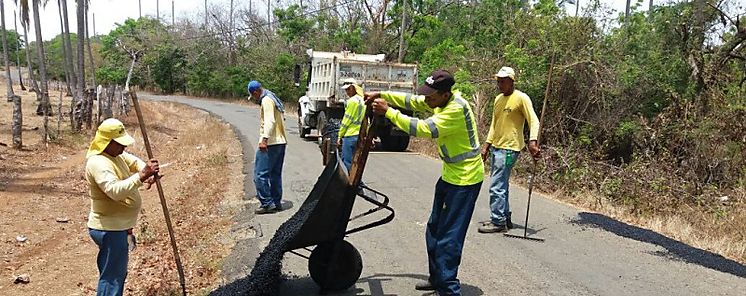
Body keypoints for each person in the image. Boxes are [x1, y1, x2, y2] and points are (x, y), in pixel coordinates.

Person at [366, 70, 484, 296]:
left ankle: (449, 290)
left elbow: (423, 129)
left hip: (465, 180)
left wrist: (389, 112)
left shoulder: (455, 109)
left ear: (444, 94)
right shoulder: (439, 101)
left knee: (449, 237)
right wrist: (382, 93)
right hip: (450, 175)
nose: (427, 100)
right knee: (434, 229)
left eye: (431, 97)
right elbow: (411, 100)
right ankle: (438, 278)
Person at [85, 118, 160, 296]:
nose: (123, 148)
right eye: (119, 144)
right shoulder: (98, 163)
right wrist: (142, 176)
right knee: (112, 279)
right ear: (107, 142)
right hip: (109, 229)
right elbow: (115, 191)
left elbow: (134, 162)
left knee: (115, 274)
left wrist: (147, 172)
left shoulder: (116, 155)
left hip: (118, 227)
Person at [478, 66, 541, 234]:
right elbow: (494, 124)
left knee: (496, 186)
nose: (500, 84)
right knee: (501, 184)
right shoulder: (498, 99)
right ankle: (504, 217)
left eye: (503, 81)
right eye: (498, 81)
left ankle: (497, 221)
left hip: (509, 148)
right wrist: (486, 146)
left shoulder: (521, 98)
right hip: (497, 147)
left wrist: (533, 142)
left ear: (512, 81)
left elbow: (534, 121)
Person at [248, 80, 288, 214]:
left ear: (255, 93)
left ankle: (266, 203)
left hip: (271, 142)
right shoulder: (273, 98)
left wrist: (264, 139)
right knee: (275, 174)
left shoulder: (266, 100)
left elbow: (270, 121)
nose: (254, 99)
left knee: (260, 175)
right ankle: (276, 202)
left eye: (253, 96)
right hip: (280, 142)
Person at [336, 78, 366, 172]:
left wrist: (340, 136)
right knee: (356, 162)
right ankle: (357, 182)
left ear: (354, 88)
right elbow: (366, 120)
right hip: (360, 135)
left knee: (347, 161)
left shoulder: (352, 101)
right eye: (346, 90)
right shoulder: (363, 101)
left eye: (348, 89)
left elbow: (346, 121)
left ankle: (348, 183)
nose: (347, 92)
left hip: (350, 135)